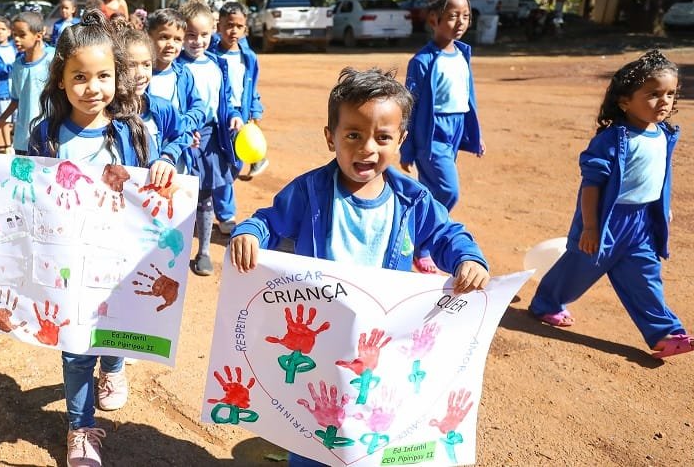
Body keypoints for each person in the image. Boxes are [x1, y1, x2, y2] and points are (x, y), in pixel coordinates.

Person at [229, 68, 490, 466]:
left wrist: (468, 258)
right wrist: (248, 232)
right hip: (320, 337)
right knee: (314, 420)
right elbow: (268, 221)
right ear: (330, 137)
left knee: (371, 425)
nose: (367, 148)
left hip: (381, 341)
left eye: (383, 137)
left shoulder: (412, 199)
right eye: (353, 134)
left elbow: (446, 235)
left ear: (400, 140)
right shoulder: (309, 191)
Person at [27, 10, 159, 467]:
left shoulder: (132, 132)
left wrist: (161, 170)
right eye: (79, 76)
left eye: (103, 76)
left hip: (119, 262)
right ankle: (81, 428)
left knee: (114, 332)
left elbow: (154, 194)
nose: (92, 87)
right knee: (76, 348)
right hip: (68, 268)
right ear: (60, 80)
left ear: (117, 78)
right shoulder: (45, 135)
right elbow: (21, 188)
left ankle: (116, 365)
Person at [529, 51, 692, 359]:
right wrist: (590, 227)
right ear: (625, 102)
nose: (664, 102)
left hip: (642, 222)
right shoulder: (612, 140)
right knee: (580, 268)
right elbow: (591, 186)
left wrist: (661, 208)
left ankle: (664, 334)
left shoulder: (663, 134)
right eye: (653, 94)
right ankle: (546, 304)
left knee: (645, 276)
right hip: (606, 220)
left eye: (670, 94)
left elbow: (658, 177)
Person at [398, 0, 484, 274]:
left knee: (433, 191)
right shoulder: (422, 61)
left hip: (454, 130)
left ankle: (409, 237)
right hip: (430, 133)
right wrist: (407, 148)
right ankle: (423, 246)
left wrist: (474, 135)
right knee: (449, 192)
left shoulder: (462, 54)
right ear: (434, 19)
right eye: (452, 16)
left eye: (466, 16)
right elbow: (410, 105)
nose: (460, 22)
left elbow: (466, 98)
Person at [177, 0, 243, 277]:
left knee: (206, 195)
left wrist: (234, 114)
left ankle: (203, 251)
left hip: (212, 138)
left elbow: (224, 98)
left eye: (204, 35)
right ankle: (173, 251)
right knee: (179, 197)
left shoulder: (217, 64)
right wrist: (181, 132)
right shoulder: (177, 67)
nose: (197, 41)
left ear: (213, 31)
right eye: (190, 35)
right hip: (184, 139)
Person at [121, 26, 191, 180]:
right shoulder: (106, 115)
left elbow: (183, 133)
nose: (140, 74)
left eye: (146, 64)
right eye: (131, 65)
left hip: (149, 197)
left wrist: (167, 157)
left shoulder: (161, 108)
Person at [209, 1, 267, 178]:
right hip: (218, 114)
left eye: (239, 26)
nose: (234, 31)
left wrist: (255, 110)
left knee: (235, 157)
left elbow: (252, 87)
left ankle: (252, 163)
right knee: (219, 155)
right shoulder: (210, 55)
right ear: (219, 26)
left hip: (240, 114)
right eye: (229, 25)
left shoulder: (248, 57)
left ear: (245, 29)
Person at [0, 11, 53, 155]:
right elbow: (16, 99)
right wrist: (1, 119)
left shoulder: (54, 60)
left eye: (22, 35)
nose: (16, 39)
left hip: (49, 135)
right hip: (23, 139)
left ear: (38, 35)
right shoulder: (17, 65)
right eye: (14, 35)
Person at [145, 8, 206, 149]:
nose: (171, 44)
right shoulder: (140, 75)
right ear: (148, 37)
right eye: (164, 37)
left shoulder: (184, 75)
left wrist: (185, 128)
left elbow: (198, 107)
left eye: (177, 39)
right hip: (147, 150)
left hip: (178, 151)